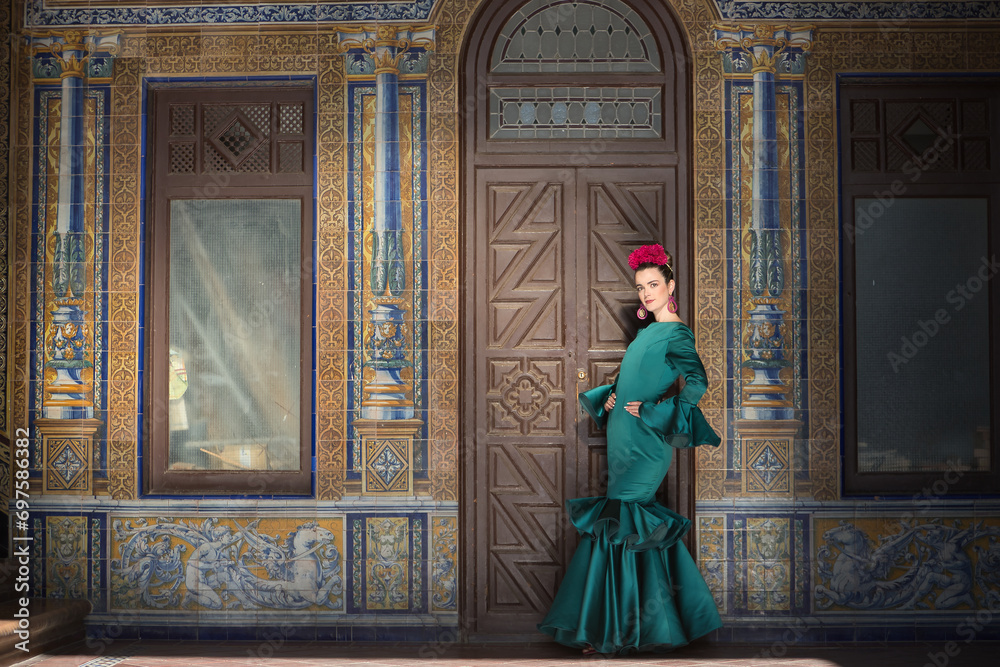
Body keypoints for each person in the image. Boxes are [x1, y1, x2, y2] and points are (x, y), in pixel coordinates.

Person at [538, 243, 723, 654]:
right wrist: (611, 398)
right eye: (640, 287)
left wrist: (660, 411)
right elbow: (633, 380)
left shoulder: (677, 333)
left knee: (628, 523)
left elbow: (698, 383)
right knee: (621, 522)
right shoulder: (646, 333)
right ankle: (622, 627)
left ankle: (618, 630)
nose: (646, 293)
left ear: (670, 285)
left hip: (646, 442)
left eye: (653, 285)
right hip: (622, 432)